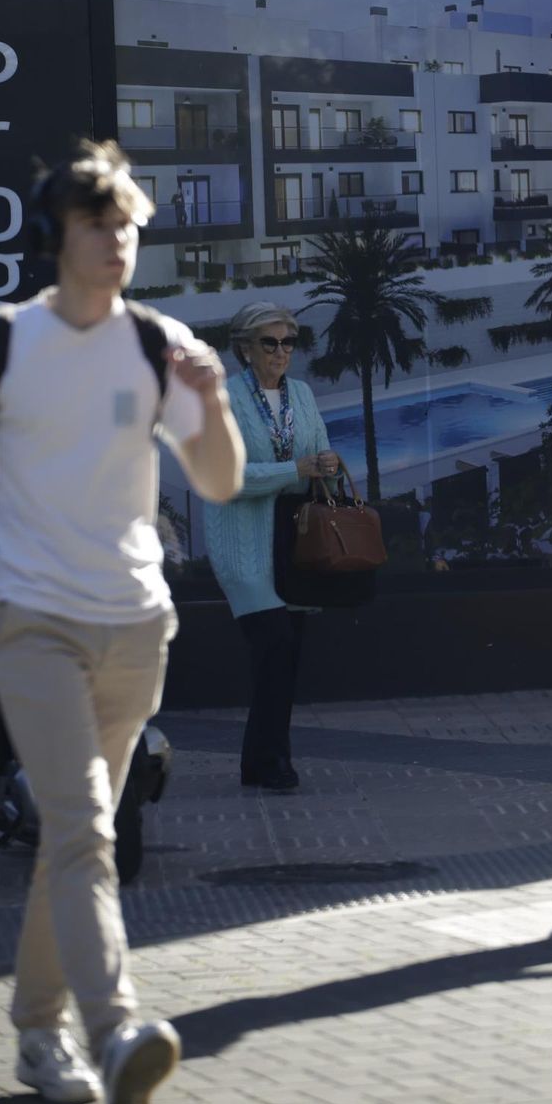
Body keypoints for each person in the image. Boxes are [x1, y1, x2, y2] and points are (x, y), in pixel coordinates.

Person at [0, 140, 244, 1104]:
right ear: (59, 236)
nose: (117, 242)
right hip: (29, 618)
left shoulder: (157, 344)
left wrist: (211, 405)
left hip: (138, 625)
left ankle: (35, 1035)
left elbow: (216, 482)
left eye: (129, 226)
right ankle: (115, 1024)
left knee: (71, 840)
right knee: (88, 826)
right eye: (99, 225)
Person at [204, 302, 340, 792]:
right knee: (275, 644)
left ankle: (262, 761)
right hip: (245, 548)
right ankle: (268, 759)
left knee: (287, 655)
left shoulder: (300, 394)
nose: (282, 352)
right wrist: (295, 470)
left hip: (294, 544)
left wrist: (325, 463)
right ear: (245, 348)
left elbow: (318, 447)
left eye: (288, 343)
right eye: (270, 343)